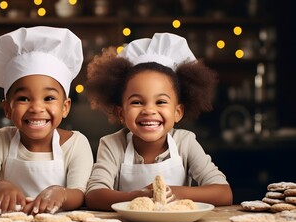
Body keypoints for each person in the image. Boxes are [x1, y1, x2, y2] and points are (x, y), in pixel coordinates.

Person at [84, 32, 233, 211]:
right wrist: (136, 196)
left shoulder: (185, 143)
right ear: (121, 112)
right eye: (137, 102)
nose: (149, 110)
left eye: (161, 102)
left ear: (178, 112)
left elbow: (224, 193)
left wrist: (176, 193)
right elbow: (94, 196)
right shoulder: (112, 145)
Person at [0, 26, 94, 215]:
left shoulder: (75, 144)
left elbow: (80, 194)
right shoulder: (1, 140)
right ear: (8, 108)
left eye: (48, 98)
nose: (36, 108)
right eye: (24, 98)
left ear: (65, 107)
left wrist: (61, 194)